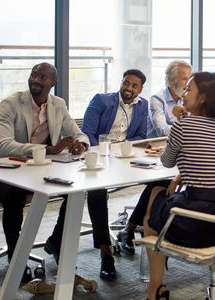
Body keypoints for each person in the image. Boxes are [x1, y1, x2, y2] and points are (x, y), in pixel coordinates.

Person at [0, 62, 96, 294]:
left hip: (38, 171)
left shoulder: (58, 104)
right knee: (14, 195)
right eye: (33, 75)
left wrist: (80, 145)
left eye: (43, 77)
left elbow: (77, 132)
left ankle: (56, 243)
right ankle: (16, 260)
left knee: (75, 192)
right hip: (3, 169)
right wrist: (46, 150)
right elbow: (3, 145)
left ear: (53, 83)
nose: (36, 80)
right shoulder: (11, 103)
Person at [143, 72, 215, 300]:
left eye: (188, 89)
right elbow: (203, 163)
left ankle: (154, 288)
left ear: (202, 97)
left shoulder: (183, 126)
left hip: (196, 222)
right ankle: (157, 285)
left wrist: (180, 123)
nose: (183, 94)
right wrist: (178, 179)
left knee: (150, 216)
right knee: (157, 192)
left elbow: (166, 162)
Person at [80, 69, 149, 280]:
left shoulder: (142, 105)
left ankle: (128, 229)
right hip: (99, 157)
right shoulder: (102, 100)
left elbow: (140, 135)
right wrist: (101, 153)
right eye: (126, 83)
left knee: (158, 182)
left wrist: (124, 151)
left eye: (134, 85)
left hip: (123, 159)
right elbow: (87, 131)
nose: (128, 88)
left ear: (140, 89)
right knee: (97, 192)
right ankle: (105, 252)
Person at [147, 60, 192, 137]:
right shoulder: (157, 99)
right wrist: (187, 130)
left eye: (190, 79)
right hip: (156, 146)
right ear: (171, 81)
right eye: (185, 79)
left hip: (179, 144)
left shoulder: (187, 99)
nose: (188, 83)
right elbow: (162, 130)